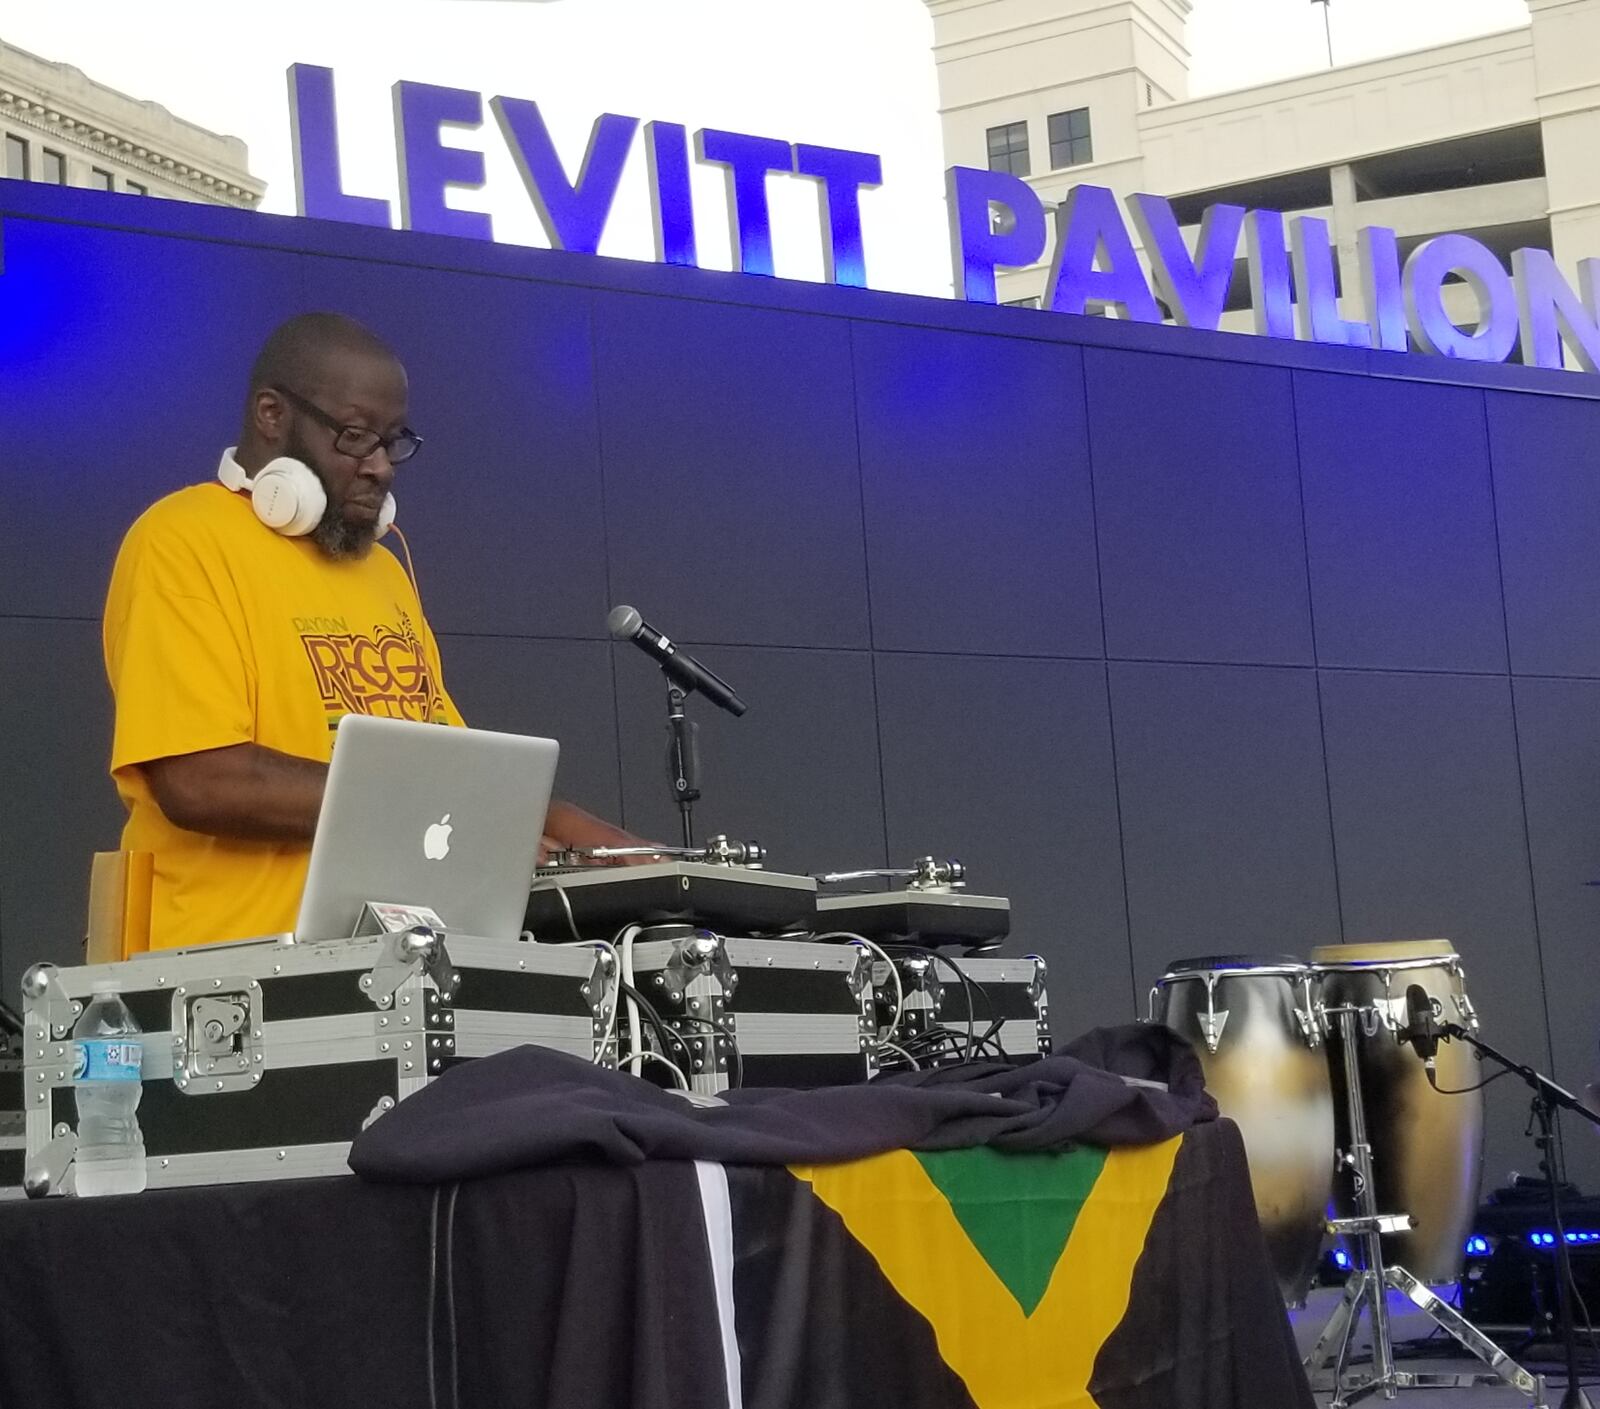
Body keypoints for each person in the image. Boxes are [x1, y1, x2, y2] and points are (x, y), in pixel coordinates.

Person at [103, 311, 639, 950]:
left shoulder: (382, 570)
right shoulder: (183, 540)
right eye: (356, 437)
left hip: (394, 960)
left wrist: (643, 861)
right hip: (239, 970)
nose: (382, 466)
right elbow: (201, 781)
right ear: (272, 416)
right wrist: (443, 812)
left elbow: (459, 779)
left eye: (394, 442)